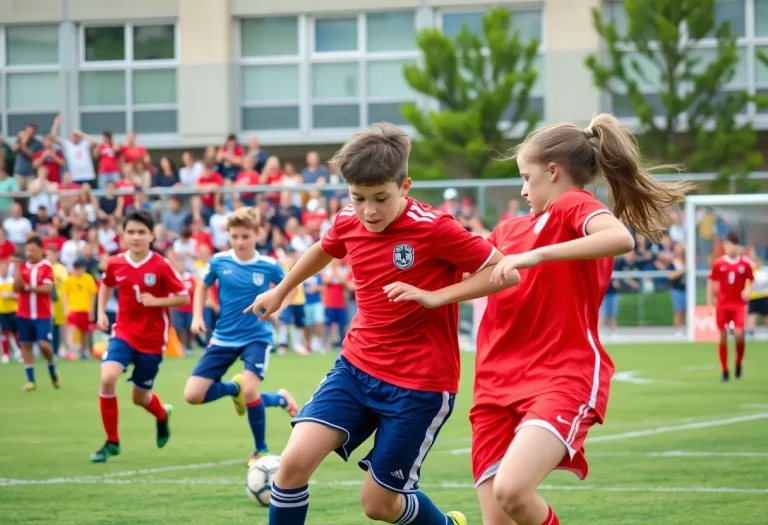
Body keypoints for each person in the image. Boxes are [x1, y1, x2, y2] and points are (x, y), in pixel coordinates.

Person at [389, 113, 692, 525]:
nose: (522, 188)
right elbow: (473, 273)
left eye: (526, 177)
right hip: (494, 386)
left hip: (560, 375)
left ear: (553, 172)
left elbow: (619, 238)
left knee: (513, 490)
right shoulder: (510, 229)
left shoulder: (570, 206)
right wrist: (431, 292)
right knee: (499, 518)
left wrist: (538, 254)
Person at [247, 123, 515, 525]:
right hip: (356, 370)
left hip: (419, 386)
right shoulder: (348, 220)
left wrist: (437, 296)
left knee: (378, 506)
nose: (369, 211)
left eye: (380, 198)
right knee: (290, 467)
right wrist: (282, 290)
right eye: (358, 198)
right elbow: (324, 248)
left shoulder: (435, 227)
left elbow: (505, 272)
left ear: (405, 185)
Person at [186, 207, 299, 466]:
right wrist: (197, 317)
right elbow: (202, 286)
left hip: (255, 337)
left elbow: (291, 286)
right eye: (234, 236)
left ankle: (260, 449)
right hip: (224, 337)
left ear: (258, 234)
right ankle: (265, 395)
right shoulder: (219, 262)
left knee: (251, 390)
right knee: (193, 395)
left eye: (245, 236)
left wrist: (278, 309)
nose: (239, 242)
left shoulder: (268, 265)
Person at [90, 210, 189, 463]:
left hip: (153, 340)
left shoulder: (160, 265)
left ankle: (161, 415)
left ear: (151, 236)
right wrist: (100, 311)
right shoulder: (115, 263)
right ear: (123, 235)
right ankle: (112, 441)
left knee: (139, 397)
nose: (135, 237)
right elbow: (106, 284)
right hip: (123, 333)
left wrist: (157, 301)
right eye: (131, 232)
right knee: (108, 377)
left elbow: (183, 297)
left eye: (141, 232)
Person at [707, 231, 754, 382]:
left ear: (737, 246)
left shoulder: (745, 263)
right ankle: (725, 370)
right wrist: (709, 303)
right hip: (722, 304)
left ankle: (738, 362)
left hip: (738, 304)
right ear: (725, 246)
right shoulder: (719, 263)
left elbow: (752, 281)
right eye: (727, 245)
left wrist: (748, 290)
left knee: (739, 334)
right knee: (722, 336)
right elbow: (711, 282)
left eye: (733, 245)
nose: (730, 248)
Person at [14, 236, 60, 391]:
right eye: (27, 250)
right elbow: (15, 289)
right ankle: (31, 381)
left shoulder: (46, 266)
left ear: (41, 250)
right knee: (25, 345)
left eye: (33, 250)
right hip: (23, 313)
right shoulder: (22, 267)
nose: (29, 253)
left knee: (44, 345)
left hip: (42, 314)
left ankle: (52, 367)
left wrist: (28, 287)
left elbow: (47, 289)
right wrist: (17, 276)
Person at [61, 259, 98, 360]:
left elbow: (93, 295)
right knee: (71, 330)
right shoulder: (70, 279)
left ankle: (83, 351)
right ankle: (71, 351)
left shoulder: (89, 279)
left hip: (85, 309)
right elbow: (64, 294)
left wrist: (92, 310)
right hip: (73, 309)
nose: (78, 271)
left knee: (84, 332)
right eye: (76, 269)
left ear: (84, 269)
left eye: (80, 269)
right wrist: (66, 307)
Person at [0, 258, 19, 363]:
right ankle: (6, 354)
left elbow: (18, 296)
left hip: (13, 310)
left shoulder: (12, 281)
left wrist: (10, 295)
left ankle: (19, 352)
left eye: (5, 267)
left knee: (16, 333)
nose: (3, 269)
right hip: (2, 311)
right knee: (4, 333)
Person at [746, 256, 768, 340]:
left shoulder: (765, 271)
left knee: (766, 315)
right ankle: (750, 332)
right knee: (752, 314)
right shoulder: (751, 272)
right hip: (753, 297)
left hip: (764, 296)